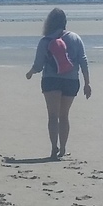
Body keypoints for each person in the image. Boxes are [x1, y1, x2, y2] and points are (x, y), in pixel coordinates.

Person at [25, 8, 91, 160]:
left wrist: (30, 72)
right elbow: (83, 61)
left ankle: (53, 149)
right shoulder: (75, 38)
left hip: (51, 80)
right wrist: (87, 83)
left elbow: (38, 65)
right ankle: (62, 149)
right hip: (71, 80)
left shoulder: (45, 41)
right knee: (64, 115)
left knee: (53, 116)